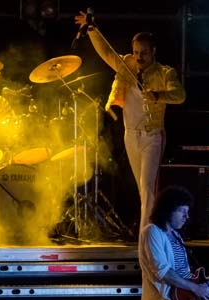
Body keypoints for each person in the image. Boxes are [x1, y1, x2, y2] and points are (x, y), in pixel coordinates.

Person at [74, 12, 186, 232]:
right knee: (142, 188)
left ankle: (148, 234)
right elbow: (106, 52)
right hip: (130, 134)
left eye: (144, 53)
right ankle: (154, 230)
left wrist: (159, 96)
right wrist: (92, 30)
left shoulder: (165, 73)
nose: (139, 57)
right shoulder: (126, 65)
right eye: (136, 52)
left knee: (147, 187)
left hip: (152, 136)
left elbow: (180, 95)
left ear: (153, 51)